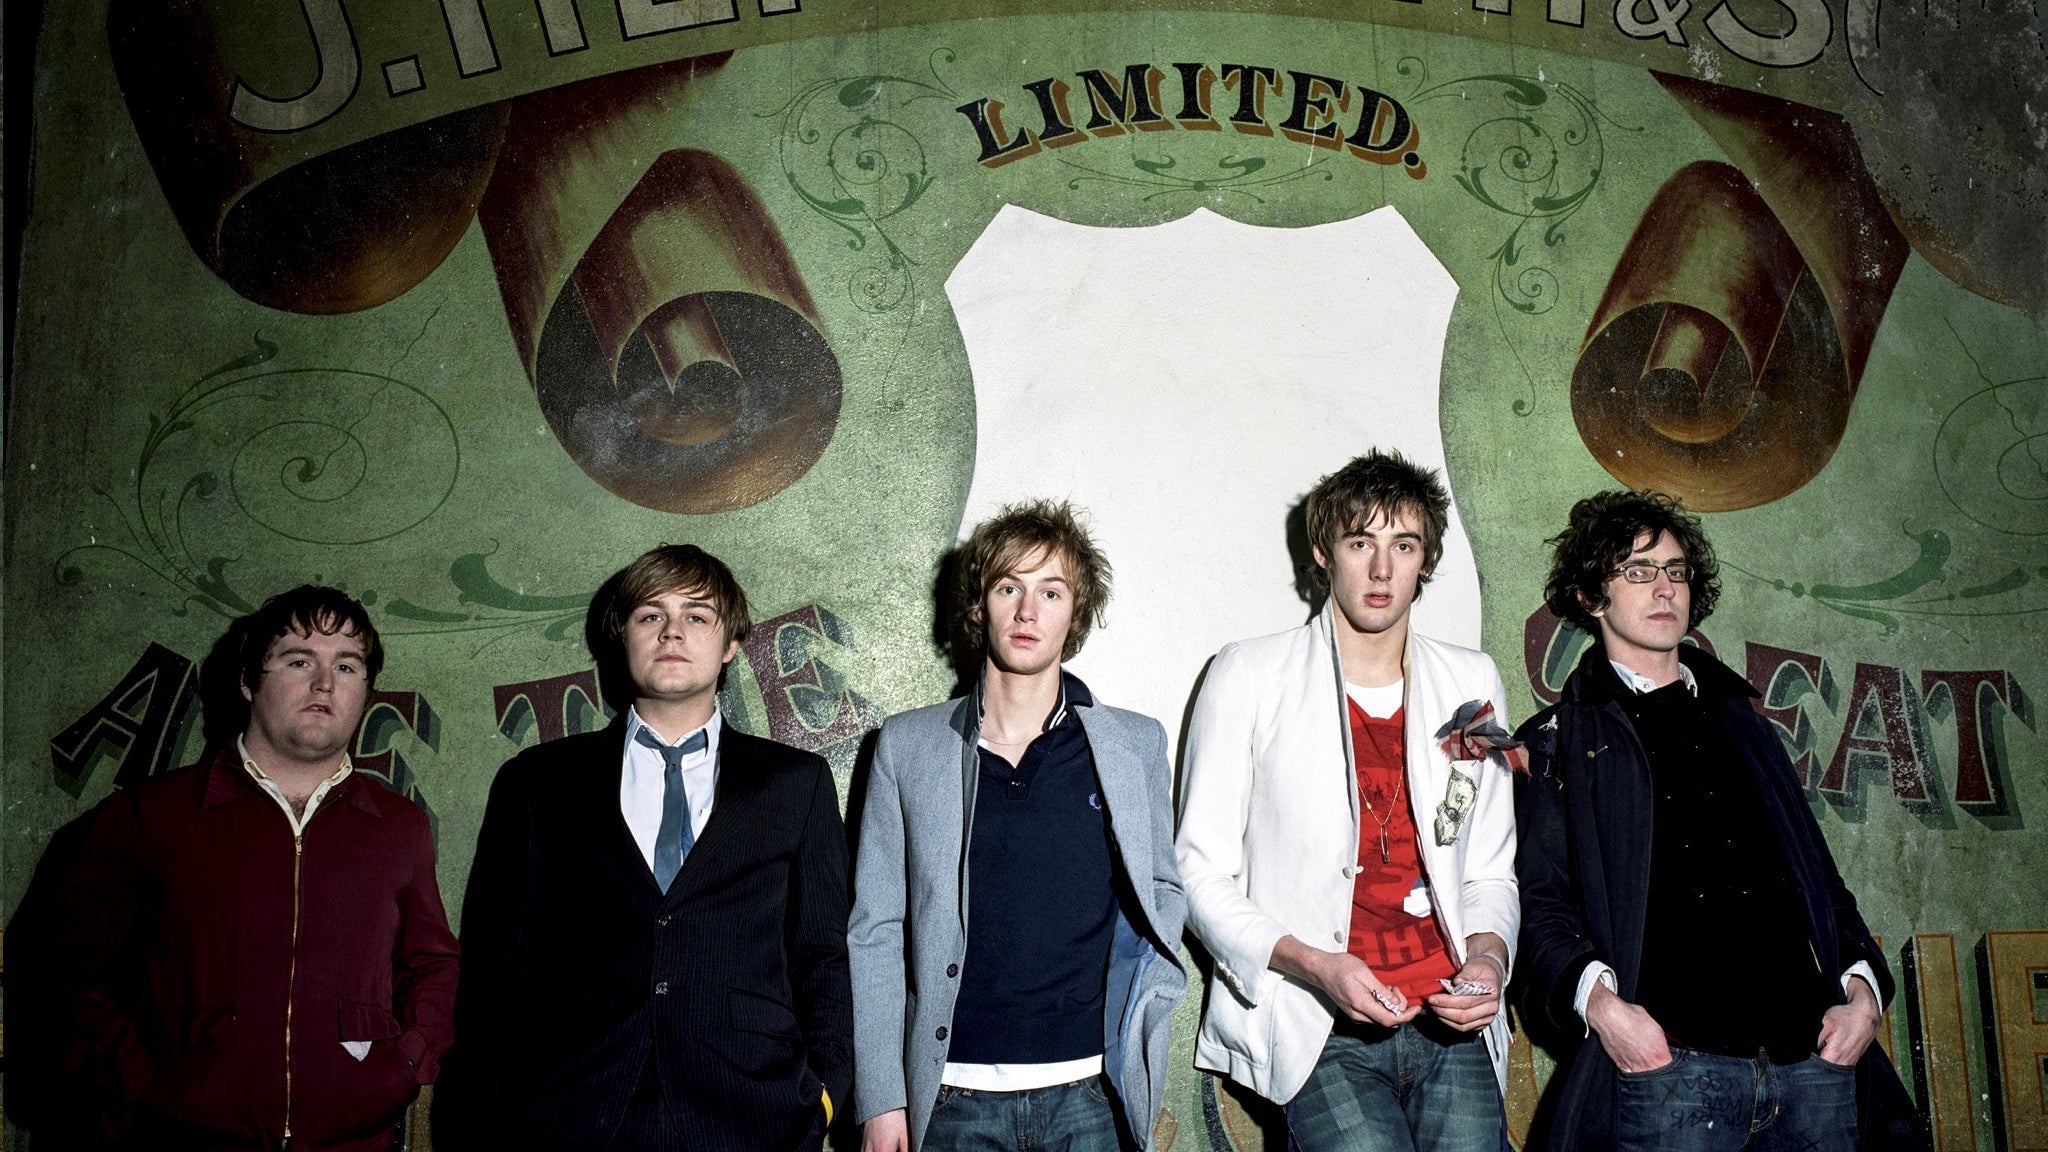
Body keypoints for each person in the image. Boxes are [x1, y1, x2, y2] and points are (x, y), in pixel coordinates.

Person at [1513, 490, 1919, 1151]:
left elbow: (1820, 882)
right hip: (1669, 1075)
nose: (1664, 588)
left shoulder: (1746, 725)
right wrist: (1607, 1012)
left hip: (1811, 1068)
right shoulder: (1561, 740)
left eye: (1675, 570)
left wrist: (1864, 996)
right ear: (1591, 596)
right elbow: (1540, 902)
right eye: (1637, 571)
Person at [447, 544, 851, 1151]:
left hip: (751, 1114)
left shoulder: (796, 783)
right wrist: (496, 1109)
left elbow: (823, 955)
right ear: (623, 636)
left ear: (731, 643)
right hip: (572, 1114)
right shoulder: (537, 782)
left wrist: (820, 1096)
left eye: (697, 616)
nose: (672, 632)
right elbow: (495, 966)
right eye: (650, 615)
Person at [1177, 449, 1520, 1151]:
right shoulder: (1248, 673)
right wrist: (1315, 965)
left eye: (1405, 545)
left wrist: (1489, 960)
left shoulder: (1472, 680)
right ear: (1322, 552)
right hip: (1317, 1022)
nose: (1382, 569)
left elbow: (1489, 870)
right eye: (1361, 542)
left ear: (1426, 560)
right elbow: (1197, 872)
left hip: (1450, 1019)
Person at [56, 585, 459, 1150]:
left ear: (365, 692)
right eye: (299, 661)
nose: (325, 683)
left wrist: (406, 1065)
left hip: (353, 1139)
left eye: (347, 666)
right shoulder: (149, 815)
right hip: (187, 1139)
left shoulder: (399, 826)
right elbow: (76, 973)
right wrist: (143, 1085)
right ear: (248, 681)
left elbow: (434, 963)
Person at [849, 500, 1187, 1152]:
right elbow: (875, 930)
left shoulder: (1133, 745)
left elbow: (1161, 894)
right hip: (951, 1096)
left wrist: (1144, 1013)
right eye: (1009, 587)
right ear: (981, 606)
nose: (1028, 612)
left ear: (1075, 613)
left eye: (1051, 592)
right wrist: (882, 1097)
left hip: (1092, 1094)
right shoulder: (907, 747)